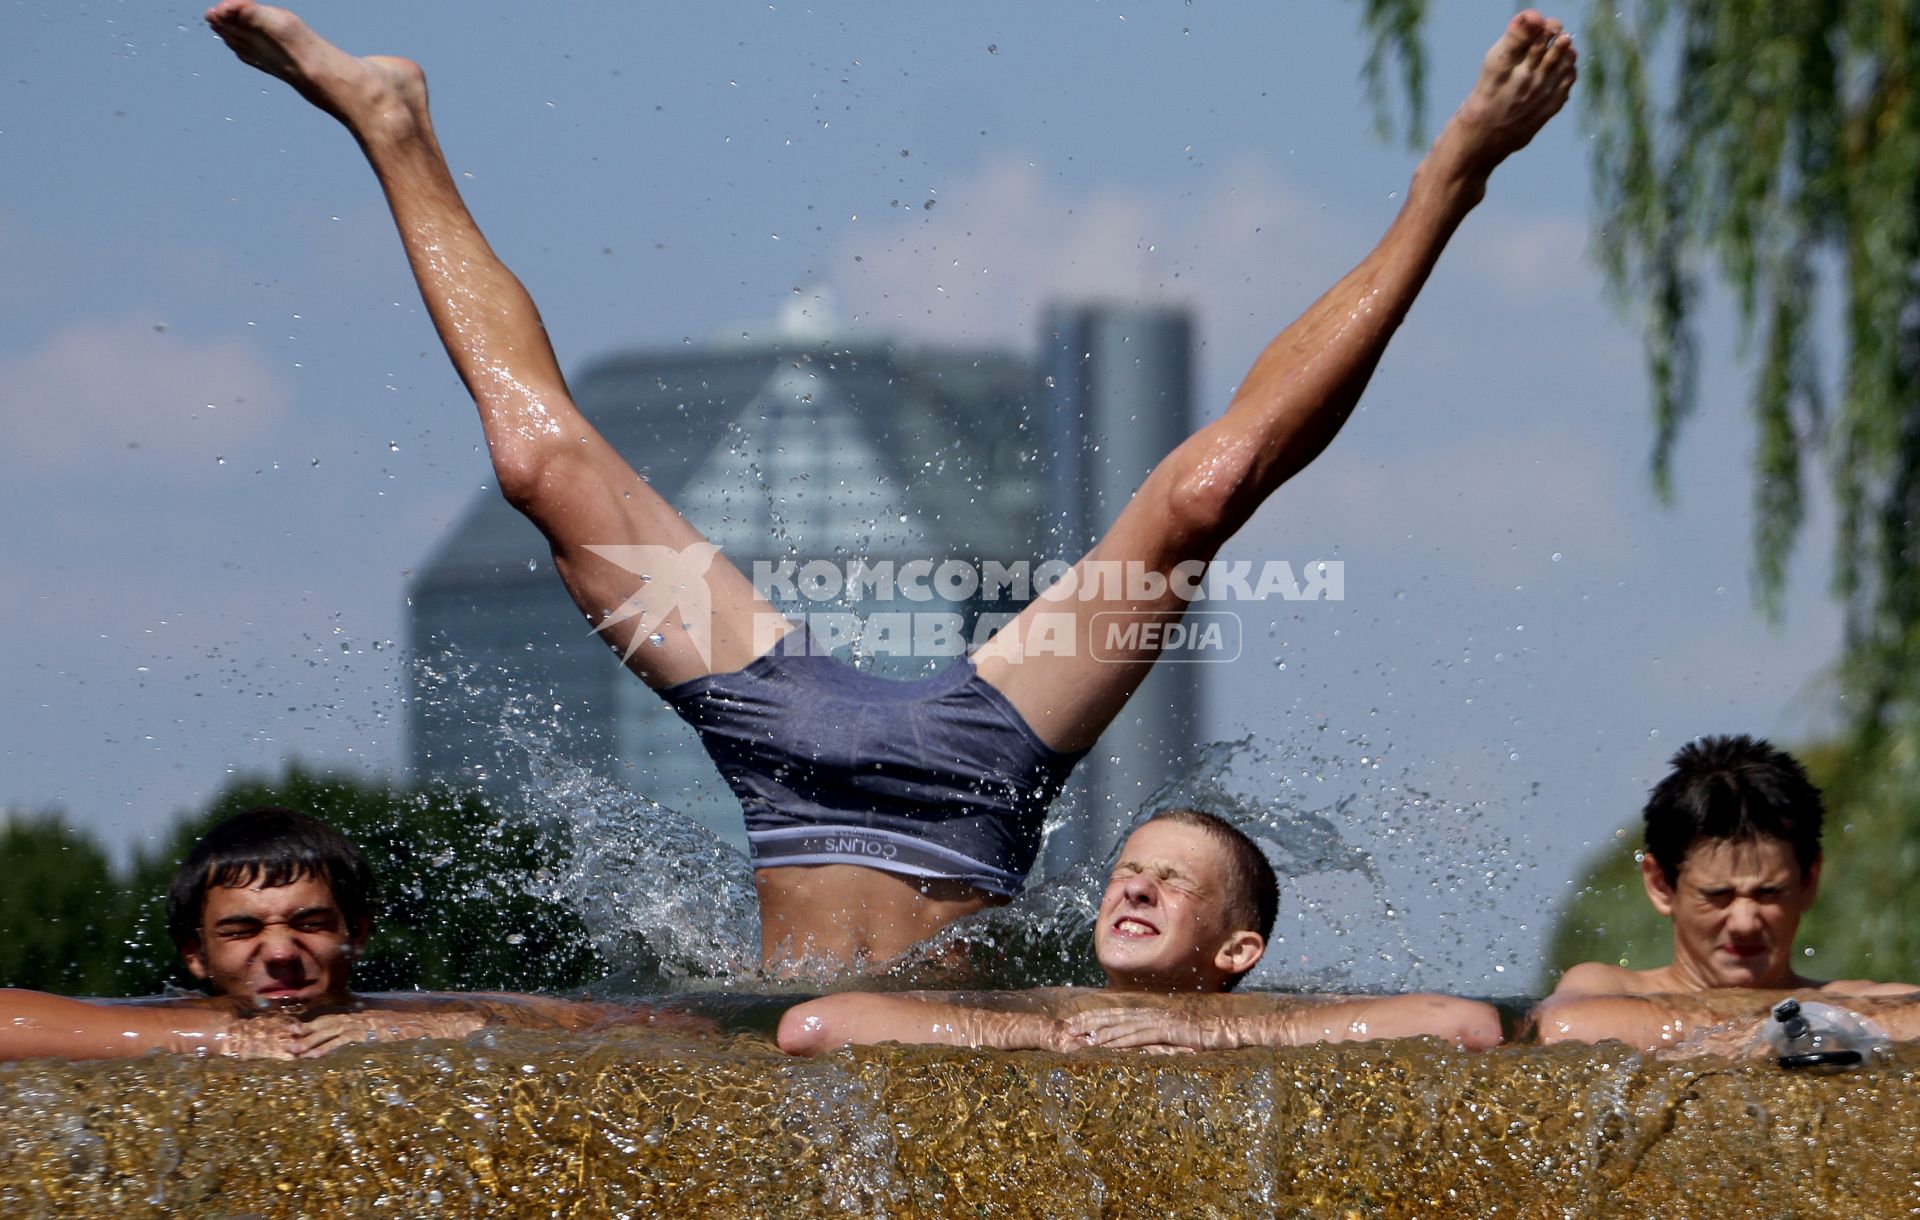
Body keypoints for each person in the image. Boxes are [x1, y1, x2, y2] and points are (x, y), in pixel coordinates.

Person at [206, 2, 1579, 970]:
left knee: (1210, 491)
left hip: (905, 770)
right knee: (537, 461)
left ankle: (1445, 182)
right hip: (898, 761)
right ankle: (392, 121)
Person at [777, 809, 1501, 1054]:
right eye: (1126, 872)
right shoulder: (1049, 1011)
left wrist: (1214, 1033)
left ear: (1237, 949)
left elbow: (1465, 1024)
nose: (1136, 886)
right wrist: (1020, 1035)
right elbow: (813, 1026)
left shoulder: (1266, 1020)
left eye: (1174, 881)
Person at [0, 807, 687, 1061]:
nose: (279, 950)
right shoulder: (177, 1023)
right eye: (241, 931)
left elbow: (670, 1026)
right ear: (195, 955)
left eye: (309, 922)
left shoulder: (403, 1019)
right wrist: (219, 1038)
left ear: (356, 932)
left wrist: (440, 1030)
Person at [1534, 735, 1919, 1055]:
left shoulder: (1849, 998)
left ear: (1809, 881)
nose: (1744, 922)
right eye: (1718, 895)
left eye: (1769, 892)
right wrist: (1782, 1030)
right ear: (1661, 885)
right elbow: (1563, 1026)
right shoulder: (1609, 989)